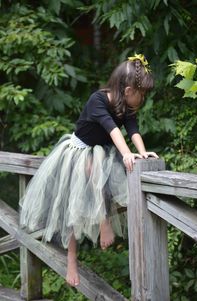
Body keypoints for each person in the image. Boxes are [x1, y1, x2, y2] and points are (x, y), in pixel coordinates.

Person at [19, 53, 159, 287]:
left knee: (102, 168)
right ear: (127, 91)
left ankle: (103, 220)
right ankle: (75, 255)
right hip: (78, 151)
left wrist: (142, 152)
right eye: (141, 94)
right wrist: (126, 154)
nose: (143, 98)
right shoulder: (98, 100)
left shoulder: (126, 109)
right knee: (75, 206)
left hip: (101, 151)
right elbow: (113, 130)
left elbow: (132, 130)